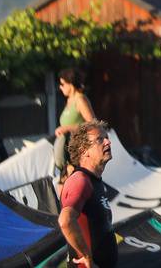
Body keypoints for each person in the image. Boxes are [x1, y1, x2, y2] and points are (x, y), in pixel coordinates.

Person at [57, 120, 119, 268]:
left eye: (106, 137)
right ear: (84, 150)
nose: (108, 142)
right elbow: (65, 221)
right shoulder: (80, 181)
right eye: (100, 139)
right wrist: (86, 256)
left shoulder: (94, 180)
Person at [54, 68, 99, 177]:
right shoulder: (69, 100)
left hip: (79, 155)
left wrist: (67, 128)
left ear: (70, 83)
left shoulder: (80, 99)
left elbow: (93, 124)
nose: (60, 87)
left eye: (62, 84)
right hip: (67, 157)